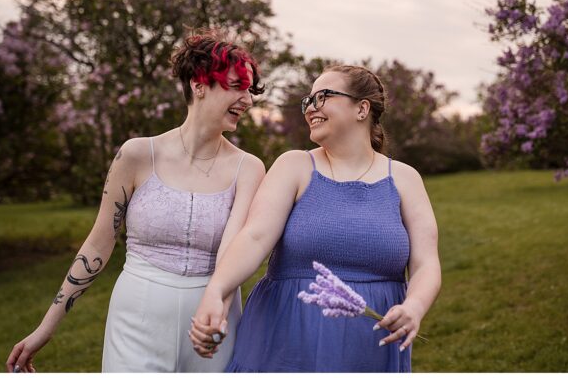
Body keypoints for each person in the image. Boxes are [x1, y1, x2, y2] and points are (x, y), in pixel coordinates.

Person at [6, 32, 266, 374]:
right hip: (138, 315)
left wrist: (215, 313)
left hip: (213, 322)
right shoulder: (137, 155)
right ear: (199, 83)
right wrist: (46, 326)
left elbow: (233, 252)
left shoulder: (249, 168)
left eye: (250, 91)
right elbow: (99, 242)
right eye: (237, 86)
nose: (247, 100)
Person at [189, 65, 441, 373]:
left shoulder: (404, 178)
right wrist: (216, 290)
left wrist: (414, 306)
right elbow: (254, 237)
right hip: (287, 339)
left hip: (369, 346)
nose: (311, 107)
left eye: (323, 96)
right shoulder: (294, 166)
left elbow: (426, 263)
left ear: (362, 108)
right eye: (308, 100)